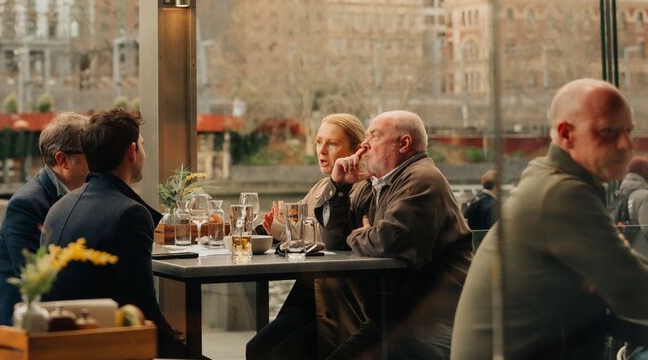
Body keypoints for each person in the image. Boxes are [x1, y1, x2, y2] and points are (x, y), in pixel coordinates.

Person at [451, 79, 648, 360]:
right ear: (566, 134)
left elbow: (622, 271)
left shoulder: (549, 176)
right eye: (608, 132)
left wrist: (609, 276)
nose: (626, 144)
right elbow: (634, 291)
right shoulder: (562, 193)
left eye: (629, 131)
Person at [323, 110, 472, 360]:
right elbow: (335, 242)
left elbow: (389, 241)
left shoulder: (424, 180)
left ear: (404, 143)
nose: (364, 144)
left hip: (437, 321)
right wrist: (339, 189)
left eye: (375, 136)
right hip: (391, 321)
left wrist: (360, 235)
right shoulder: (370, 187)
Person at [40, 109, 186, 358]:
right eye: (141, 145)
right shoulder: (130, 214)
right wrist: (176, 342)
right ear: (131, 152)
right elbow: (141, 305)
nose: (143, 152)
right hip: (106, 346)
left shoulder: (58, 207)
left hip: (63, 345)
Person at [247, 113, 367, 360]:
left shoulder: (362, 191)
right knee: (257, 348)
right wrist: (275, 228)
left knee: (277, 353)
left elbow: (334, 241)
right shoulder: (320, 188)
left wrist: (284, 231)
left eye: (332, 143)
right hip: (309, 289)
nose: (322, 150)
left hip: (337, 299)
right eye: (318, 141)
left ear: (356, 150)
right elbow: (302, 233)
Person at [0, 112, 89, 360]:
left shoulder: (76, 197)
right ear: (63, 160)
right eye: (90, 152)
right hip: (15, 331)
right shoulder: (27, 204)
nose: (98, 160)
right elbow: (30, 274)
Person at [613, 156, 648, 258]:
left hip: (623, 252)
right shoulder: (644, 196)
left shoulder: (620, 194)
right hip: (643, 254)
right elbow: (647, 228)